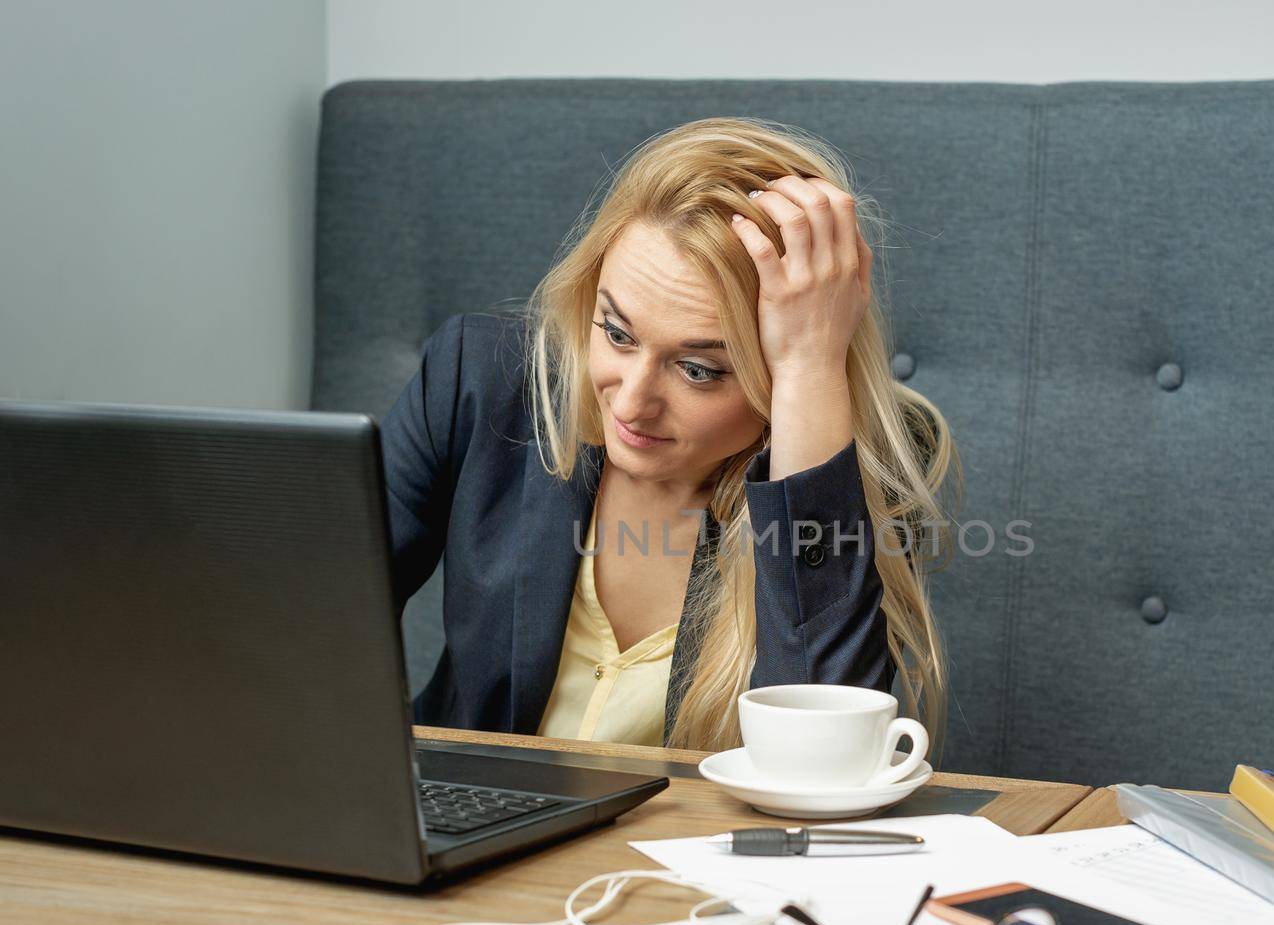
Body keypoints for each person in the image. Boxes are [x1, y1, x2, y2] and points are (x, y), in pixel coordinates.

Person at [380, 116, 959, 755]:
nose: (631, 402)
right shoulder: (482, 383)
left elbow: (820, 756)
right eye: (617, 333)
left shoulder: (857, 462)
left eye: (698, 370)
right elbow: (298, 614)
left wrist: (810, 367)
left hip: (684, 852)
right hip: (466, 830)